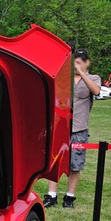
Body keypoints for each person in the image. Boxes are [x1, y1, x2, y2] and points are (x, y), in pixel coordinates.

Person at [44, 49, 101, 209]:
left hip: (79, 128)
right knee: (55, 161)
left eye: (78, 62)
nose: (75, 65)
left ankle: (69, 197)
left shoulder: (93, 78)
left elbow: (96, 91)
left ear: (86, 63)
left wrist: (82, 74)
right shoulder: (64, 79)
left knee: (76, 163)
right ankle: (52, 195)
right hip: (60, 126)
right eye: (73, 62)